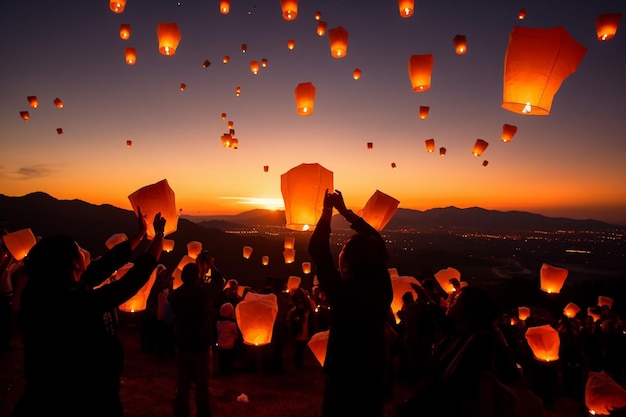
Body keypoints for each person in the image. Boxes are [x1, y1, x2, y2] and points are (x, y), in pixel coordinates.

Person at [12, 208, 165, 417]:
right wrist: (159, 235)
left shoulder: (48, 291)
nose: (84, 253)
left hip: (51, 393)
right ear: (74, 263)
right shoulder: (73, 302)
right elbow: (132, 281)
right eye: (78, 250)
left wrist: (140, 233)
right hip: (83, 398)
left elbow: (106, 264)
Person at [308, 189, 393, 417]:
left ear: (346, 264)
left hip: (343, 374)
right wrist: (345, 213)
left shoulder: (344, 295)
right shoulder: (383, 285)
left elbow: (317, 249)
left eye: (344, 249)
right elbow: (377, 242)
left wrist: (328, 211)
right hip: (373, 371)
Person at [396, 285, 525, 417]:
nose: (450, 301)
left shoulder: (482, 341)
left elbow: (454, 386)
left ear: (471, 311)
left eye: (456, 299)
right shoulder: (461, 334)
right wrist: (427, 299)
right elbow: (442, 320)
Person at [168, 262, 213, 417]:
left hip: (183, 346)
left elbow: (171, 296)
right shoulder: (204, 294)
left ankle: (181, 412)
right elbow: (219, 282)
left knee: (182, 386)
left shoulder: (175, 296)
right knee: (202, 386)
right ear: (197, 276)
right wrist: (210, 266)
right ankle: (203, 412)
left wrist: (170, 284)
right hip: (201, 347)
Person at [216, 302, 239, 376]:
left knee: (222, 358)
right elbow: (236, 334)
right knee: (229, 358)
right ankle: (229, 370)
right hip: (230, 345)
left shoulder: (218, 323)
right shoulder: (232, 324)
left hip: (220, 344)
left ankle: (222, 370)